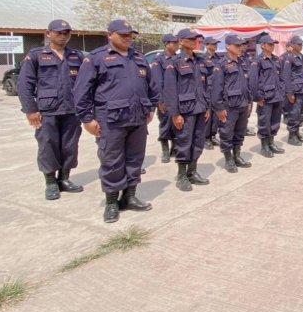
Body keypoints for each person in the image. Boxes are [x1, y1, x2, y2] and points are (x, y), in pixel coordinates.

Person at [74, 19, 159, 223]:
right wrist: (87, 119)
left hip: (138, 118)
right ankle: (112, 202)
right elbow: (81, 91)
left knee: (135, 159)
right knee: (112, 160)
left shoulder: (138, 58)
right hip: (110, 120)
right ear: (110, 35)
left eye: (130, 35)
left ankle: (129, 197)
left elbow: (152, 85)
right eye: (123, 35)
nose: (128, 38)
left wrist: (151, 107)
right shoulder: (96, 58)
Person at [18, 19, 85, 200]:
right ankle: (50, 183)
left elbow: (85, 83)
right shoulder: (36, 56)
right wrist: (30, 110)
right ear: (48, 34)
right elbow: (25, 85)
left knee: (70, 146)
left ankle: (64, 179)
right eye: (58, 32)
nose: (63, 36)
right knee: (48, 146)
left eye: (66, 33)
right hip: (47, 111)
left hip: (71, 110)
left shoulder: (76, 56)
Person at [163, 29, 211, 191]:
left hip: (200, 108)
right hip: (185, 110)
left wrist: (207, 107)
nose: (193, 41)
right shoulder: (175, 62)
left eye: (195, 39)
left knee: (198, 142)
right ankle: (182, 175)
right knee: (184, 143)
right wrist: (175, 114)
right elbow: (170, 91)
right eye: (189, 39)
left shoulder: (200, 61)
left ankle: (192, 171)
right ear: (181, 42)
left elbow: (205, 86)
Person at [211, 34, 252, 173]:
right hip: (229, 106)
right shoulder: (221, 64)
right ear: (228, 46)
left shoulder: (243, 62)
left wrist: (249, 101)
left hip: (242, 104)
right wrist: (219, 108)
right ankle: (228, 159)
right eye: (237, 45)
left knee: (240, 132)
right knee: (226, 133)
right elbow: (216, 88)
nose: (240, 48)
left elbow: (247, 84)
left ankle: (237, 155)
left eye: (241, 45)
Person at [250, 35, 286, 157]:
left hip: (277, 95)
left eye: (273, 44)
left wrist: (282, 91)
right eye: (270, 44)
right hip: (265, 97)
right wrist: (258, 97)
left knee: (275, 121)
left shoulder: (276, 59)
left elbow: (281, 78)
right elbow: (253, 81)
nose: (272, 46)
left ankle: (271, 143)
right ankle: (264, 145)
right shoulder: (258, 61)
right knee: (264, 122)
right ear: (263, 45)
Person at [150, 33, 179, 163]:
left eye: (177, 42)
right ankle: (165, 150)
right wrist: (160, 100)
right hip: (165, 100)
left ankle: (175, 148)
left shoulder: (179, 59)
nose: (177, 45)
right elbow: (157, 82)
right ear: (166, 44)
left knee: (177, 125)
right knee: (165, 125)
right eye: (174, 43)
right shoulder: (159, 60)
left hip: (178, 98)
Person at [282, 35, 303, 146]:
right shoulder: (289, 58)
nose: (301, 46)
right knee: (294, 113)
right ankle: (291, 136)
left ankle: (297, 133)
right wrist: (289, 93)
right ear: (292, 45)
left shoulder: (302, 57)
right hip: (295, 91)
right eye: (298, 44)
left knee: (301, 114)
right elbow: (286, 76)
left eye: (301, 44)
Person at [202, 37, 224, 149]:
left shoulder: (218, 58)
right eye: (213, 44)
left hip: (217, 89)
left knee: (216, 114)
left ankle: (213, 134)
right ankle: (205, 138)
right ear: (206, 45)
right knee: (207, 114)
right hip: (207, 89)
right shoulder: (202, 59)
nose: (215, 45)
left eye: (216, 44)